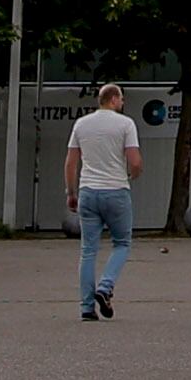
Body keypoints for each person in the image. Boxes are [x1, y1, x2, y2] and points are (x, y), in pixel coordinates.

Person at [63, 82, 141, 321]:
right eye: (122, 99)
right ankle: (105, 287)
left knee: (88, 251)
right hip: (116, 190)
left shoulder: (81, 124)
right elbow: (135, 161)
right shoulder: (126, 124)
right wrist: (132, 175)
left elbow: (70, 163)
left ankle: (87, 308)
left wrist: (71, 192)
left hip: (88, 191)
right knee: (122, 243)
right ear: (114, 99)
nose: (123, 103)